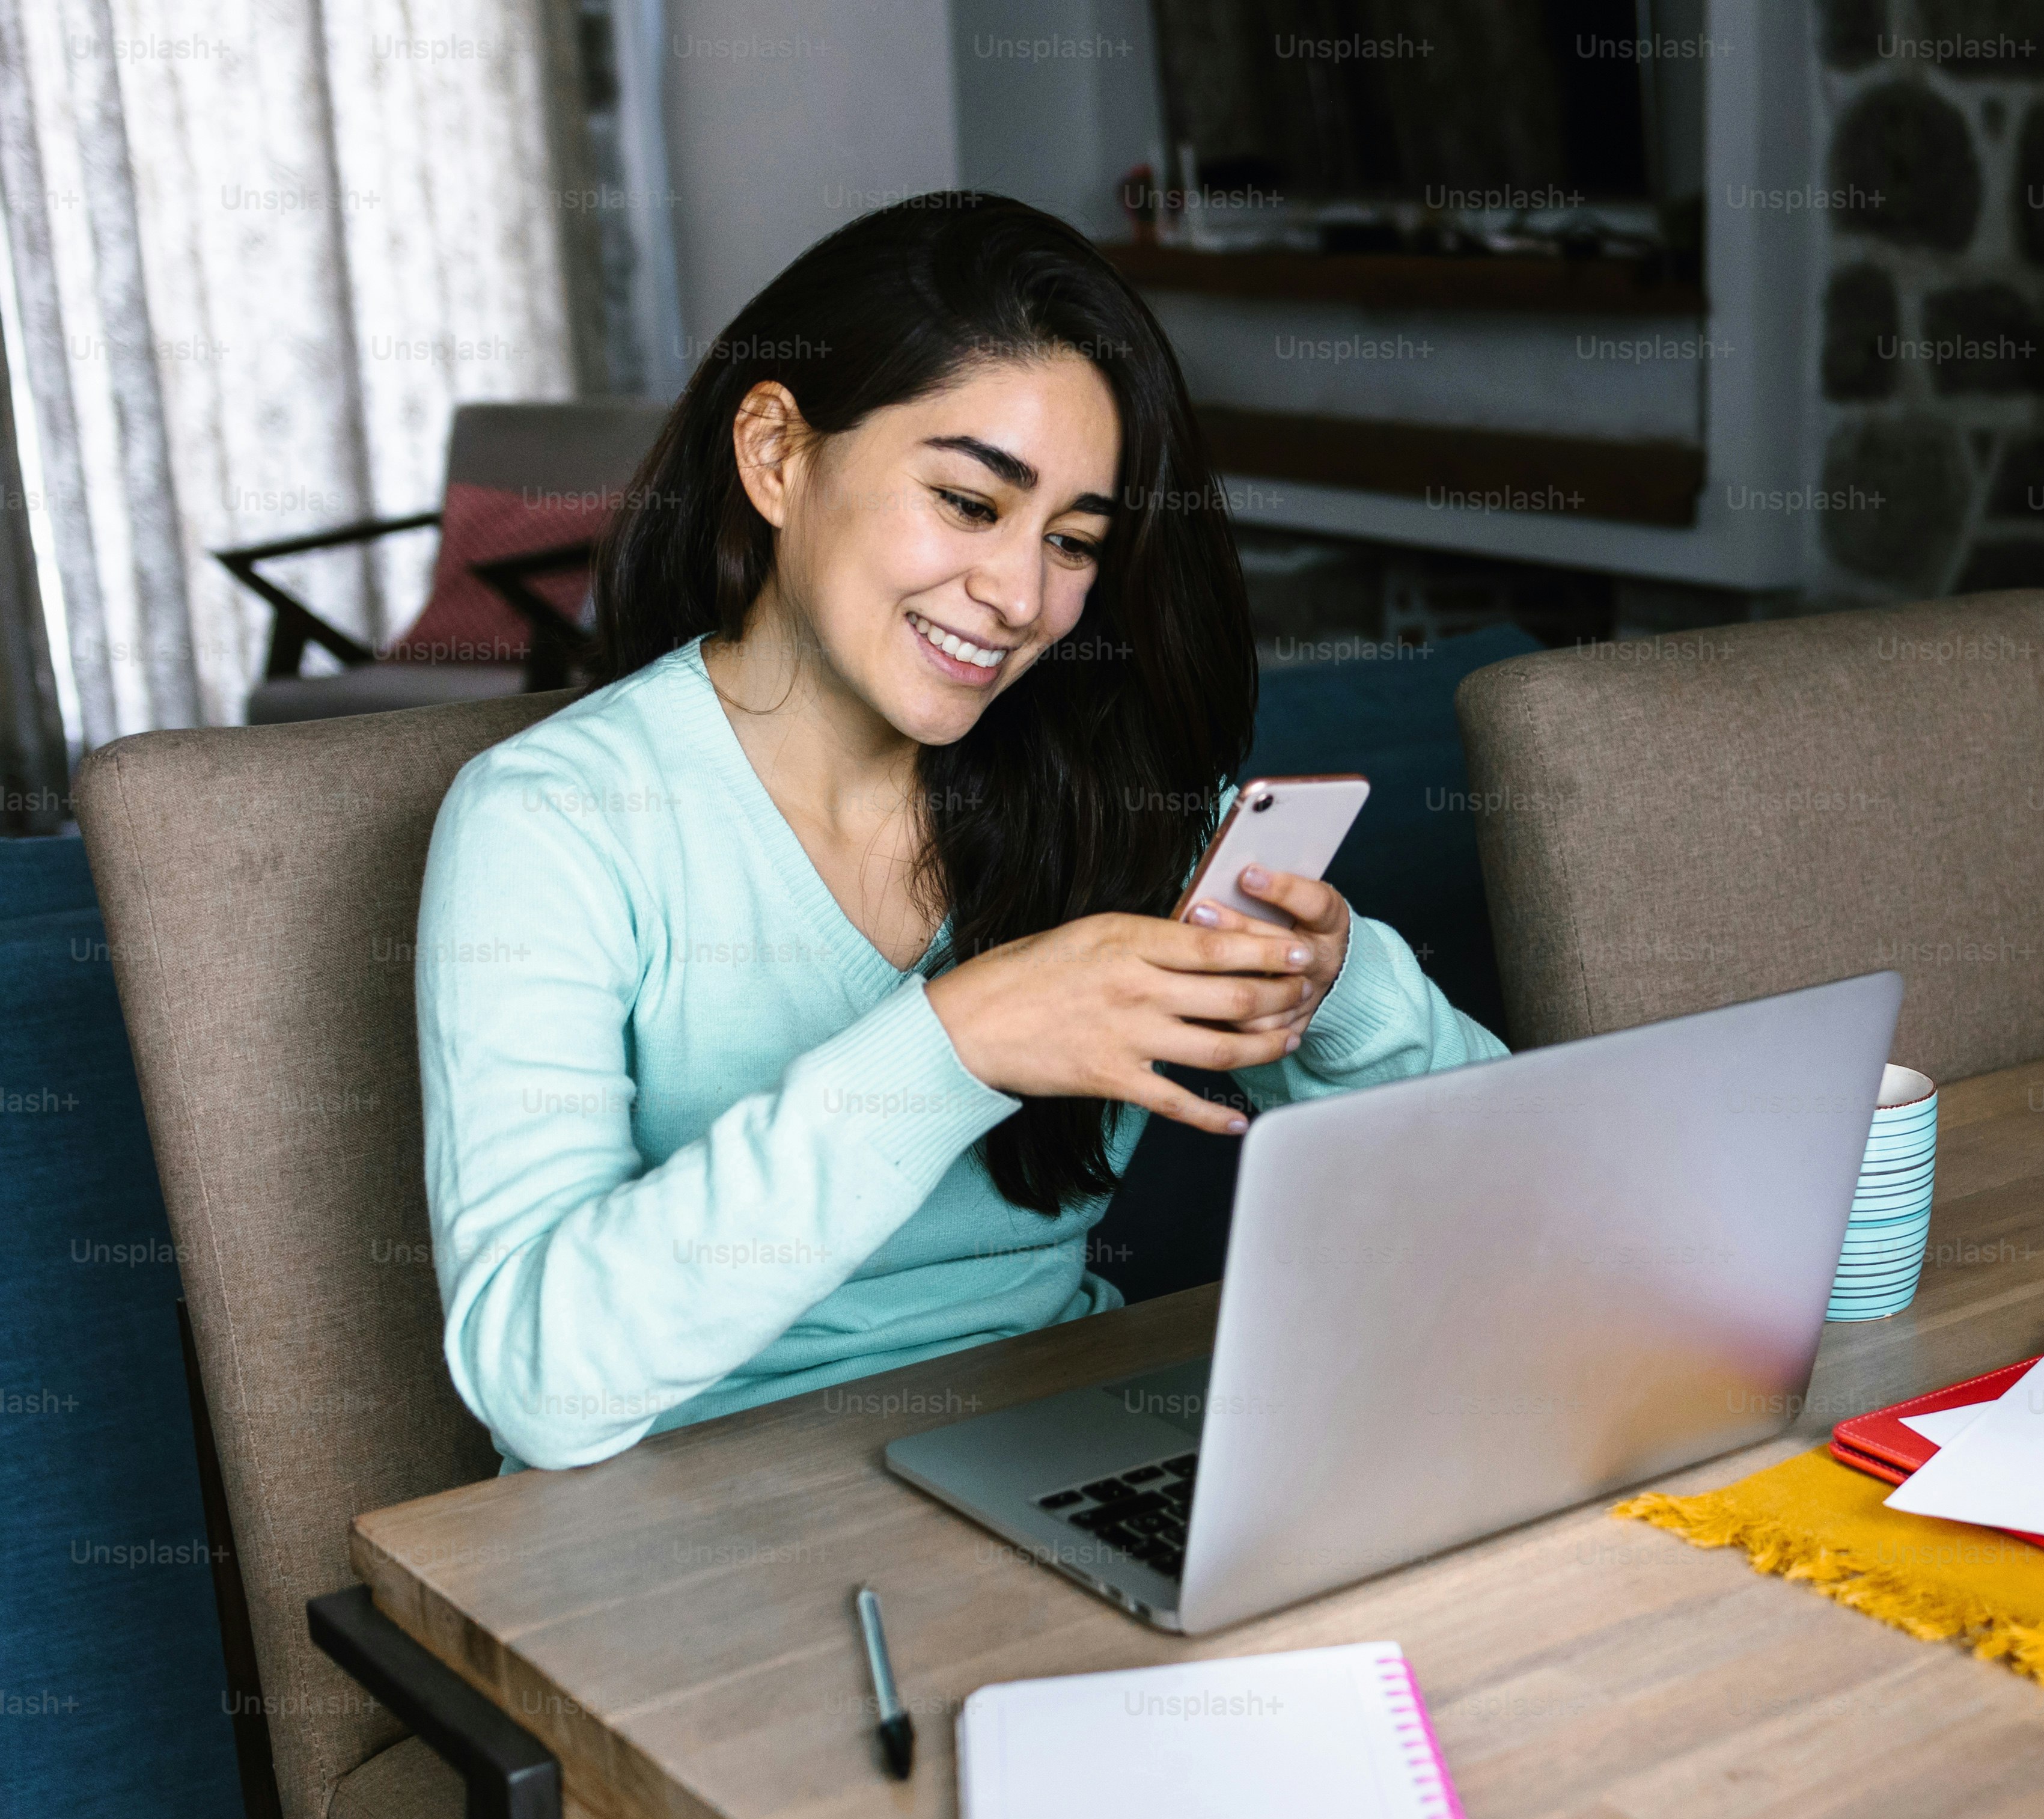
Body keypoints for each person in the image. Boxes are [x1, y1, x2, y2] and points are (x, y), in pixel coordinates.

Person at [414, 194, 1505, 1472]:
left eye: (1075, 541)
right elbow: (538, 1382)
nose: (1020, 597)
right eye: (970, 502)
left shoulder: (1110, 795)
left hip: (1065, 1460)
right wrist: (960, 1042)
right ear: (775, 455)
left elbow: (1505, 1198)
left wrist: (1341, 992)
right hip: (687, 1533)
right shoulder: (554, 824)